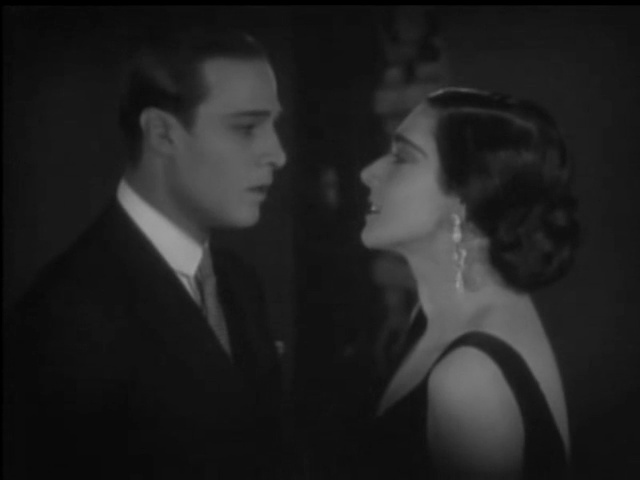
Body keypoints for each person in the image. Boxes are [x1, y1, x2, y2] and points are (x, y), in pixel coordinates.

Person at [3, 24, 289, 479]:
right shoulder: (64, 317)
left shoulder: (239, 282)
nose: (277, 154)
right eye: (248, 128)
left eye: (273, 125)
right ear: (161, 133)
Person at [358, 87, 579, 479]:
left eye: (402, 157)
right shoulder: (437, 314)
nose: (368, 172)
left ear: (467, 196)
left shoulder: (469, 378)